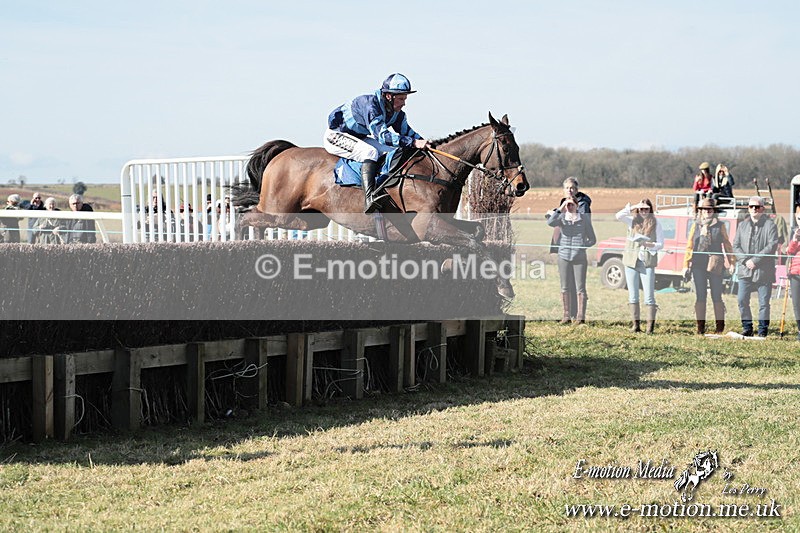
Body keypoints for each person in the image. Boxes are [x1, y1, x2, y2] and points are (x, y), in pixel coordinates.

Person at [323, 73, 430, 213]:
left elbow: (408, 133)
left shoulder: (397, 112)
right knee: (370, 152)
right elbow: (383, 137)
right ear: (388, 96)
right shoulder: (370, 105)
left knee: (391, 152)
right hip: (336, 136)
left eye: (405, 98)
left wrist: (425, 143)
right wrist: (414, 142)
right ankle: (370, 198)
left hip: (358, 137)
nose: (404, 103)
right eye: (401, 98)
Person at [682, 198, 735, 334]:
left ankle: (719, 328)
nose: (707, 212)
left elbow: (727, 245)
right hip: (698, 264)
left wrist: (731, 262)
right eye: (704, 209)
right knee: (700, 296)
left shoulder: (720, 225)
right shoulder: (695, 225)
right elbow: (690, 245)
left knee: (716, 296)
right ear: (701, 211)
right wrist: (686, 264)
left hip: (715, 264)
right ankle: (700, 328)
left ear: (713, 211)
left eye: (709, 209)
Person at [732, 196, 779, 337]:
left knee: (764, 303)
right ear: (748, 208)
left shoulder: (770, 225)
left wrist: (755, 261)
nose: (754, 209)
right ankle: (747, 327)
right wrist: (746, 260)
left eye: (757, 207)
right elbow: (735, 245)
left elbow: (772, 245)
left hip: (764, 271)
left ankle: (762, 330)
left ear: (762, 209)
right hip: (745, 270)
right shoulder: (742, 225)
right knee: (741, 300)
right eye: (751, 206)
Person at [546, 191, 596, 325]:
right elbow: (550, 222)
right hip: (563, 256)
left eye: (571, 205)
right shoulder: (562, 218)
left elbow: (593, 239)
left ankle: (580, 317)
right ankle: (566, 316)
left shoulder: (584, 218)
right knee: (564, 287)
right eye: (567, 205)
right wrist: (561, 208)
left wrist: (582, 246)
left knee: (581, 288)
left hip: (579, 257)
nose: (569, 207)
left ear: (576, 205)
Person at [616, 198, 664, 334]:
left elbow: (661, 244)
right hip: (631, 261)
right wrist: (634, 207)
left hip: (647, 262)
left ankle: (650, 328)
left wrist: (649, 245)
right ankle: (636, 326)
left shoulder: (656, 223)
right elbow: (618, 216)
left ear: (650, 210)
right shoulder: (632, 221)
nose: (643, 211)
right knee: (633, 295)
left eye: (646, 209)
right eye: (641, 209)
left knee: (649, 296)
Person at [786, 210, 800, 341]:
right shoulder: (795, 232)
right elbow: (789, 252)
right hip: (796, 273)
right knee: (797, 304)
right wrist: (795, 240)